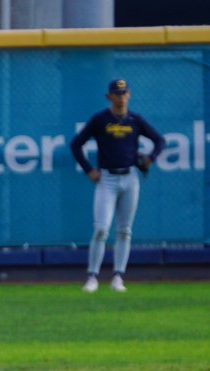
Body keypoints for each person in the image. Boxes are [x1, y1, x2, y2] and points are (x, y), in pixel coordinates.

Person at [70, 78, 166, 293]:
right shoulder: (100, 119)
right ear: (109, 96)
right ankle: (92, 277)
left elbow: (160, 140)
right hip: (107, 179)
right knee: (101, 228)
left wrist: (150, 158)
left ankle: (118, 276)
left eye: (123, 93)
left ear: (129, 95)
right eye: (116, 94)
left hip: (130, 177)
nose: (120, 98)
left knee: (124, 231)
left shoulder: (134, 120)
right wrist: (88, 169)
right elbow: (76, 144)